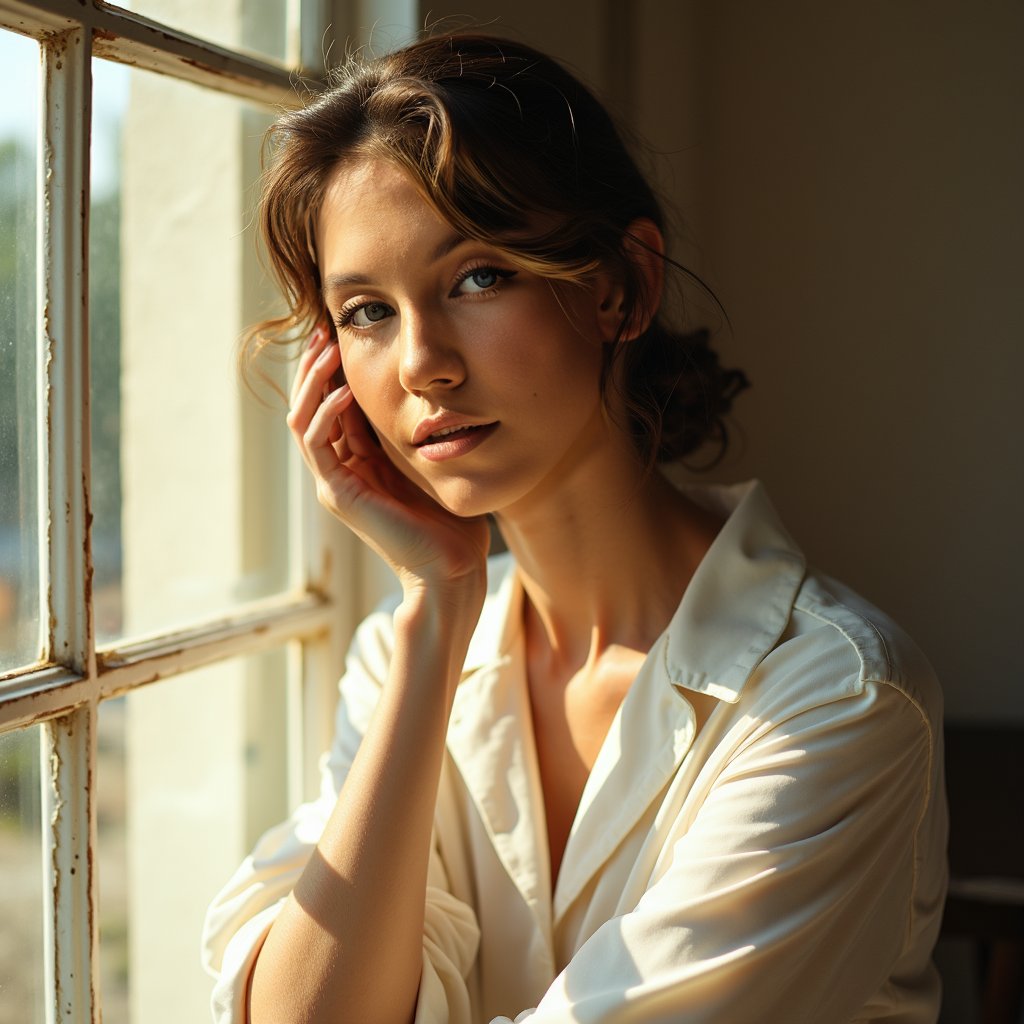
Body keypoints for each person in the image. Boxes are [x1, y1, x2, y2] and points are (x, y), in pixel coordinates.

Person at [202, 31, 947, 1024]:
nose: (421, 363)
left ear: (618, 285)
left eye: (475, 279)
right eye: (369, 311)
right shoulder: (400, 660)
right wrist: (438, 604)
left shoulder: (840, 698)